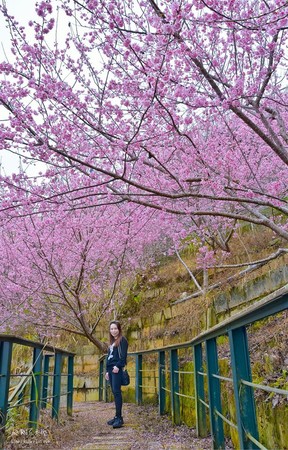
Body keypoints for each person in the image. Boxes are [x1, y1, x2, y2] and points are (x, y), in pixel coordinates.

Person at [105, 320, 128, 429]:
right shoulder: (111, 342)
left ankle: (119, 418)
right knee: (114, 392)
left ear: (119, 329)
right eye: (111, 329)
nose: (113, 331)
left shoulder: (122, 340)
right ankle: (116, 416)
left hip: (116, 370)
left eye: (115, 328)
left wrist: (118, 366)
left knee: (117, 392)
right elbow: (108, 357)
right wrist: (106, 371)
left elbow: (123, 357)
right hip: (110, 370)